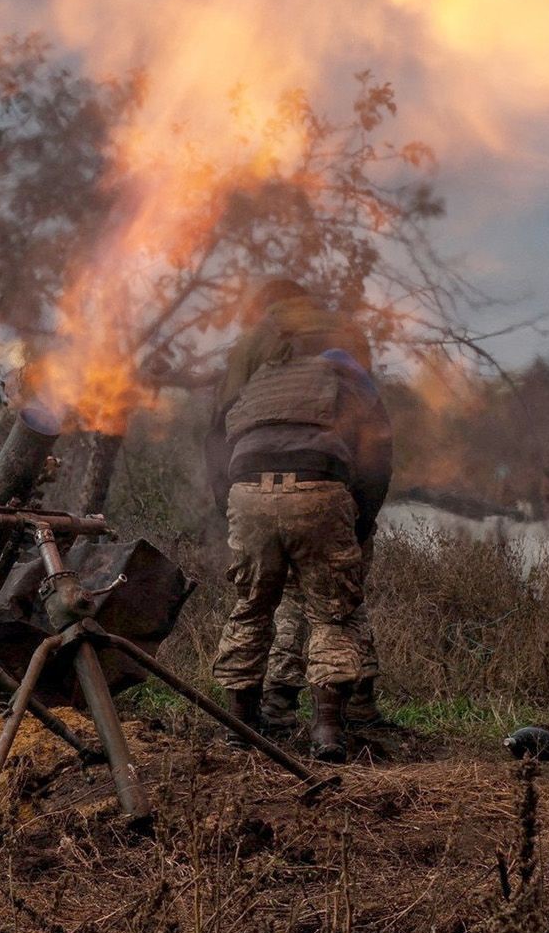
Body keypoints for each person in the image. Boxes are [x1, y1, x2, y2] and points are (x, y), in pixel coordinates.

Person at [209, 279, 383, 762]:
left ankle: (239, 728)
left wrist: (229, 501)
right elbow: (377, 446)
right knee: (333, 611)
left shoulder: (252, 362)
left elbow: (215, 437)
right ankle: (327, 732)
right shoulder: (344, 356)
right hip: (321, 485)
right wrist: (360, 520)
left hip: (246, 487)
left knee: (251, 607)